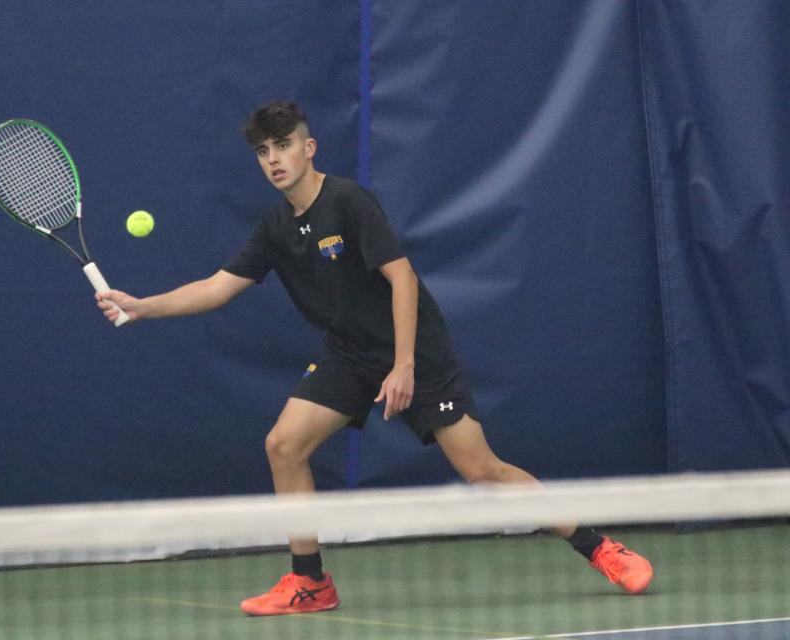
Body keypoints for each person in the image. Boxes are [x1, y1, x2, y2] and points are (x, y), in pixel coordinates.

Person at [96, 101, 653, 616]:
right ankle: (309, 582)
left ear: (308, 148)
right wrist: (143, 307)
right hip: (349, 355)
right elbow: (219, 287)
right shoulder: (275, 227)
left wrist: (405, 364)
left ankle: (599, 547)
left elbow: (402, 277)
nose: (273, 160)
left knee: (482, 470)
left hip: (417, 354)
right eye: (263, 152)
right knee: (284, 445)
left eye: (283, 146)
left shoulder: (349, 202)